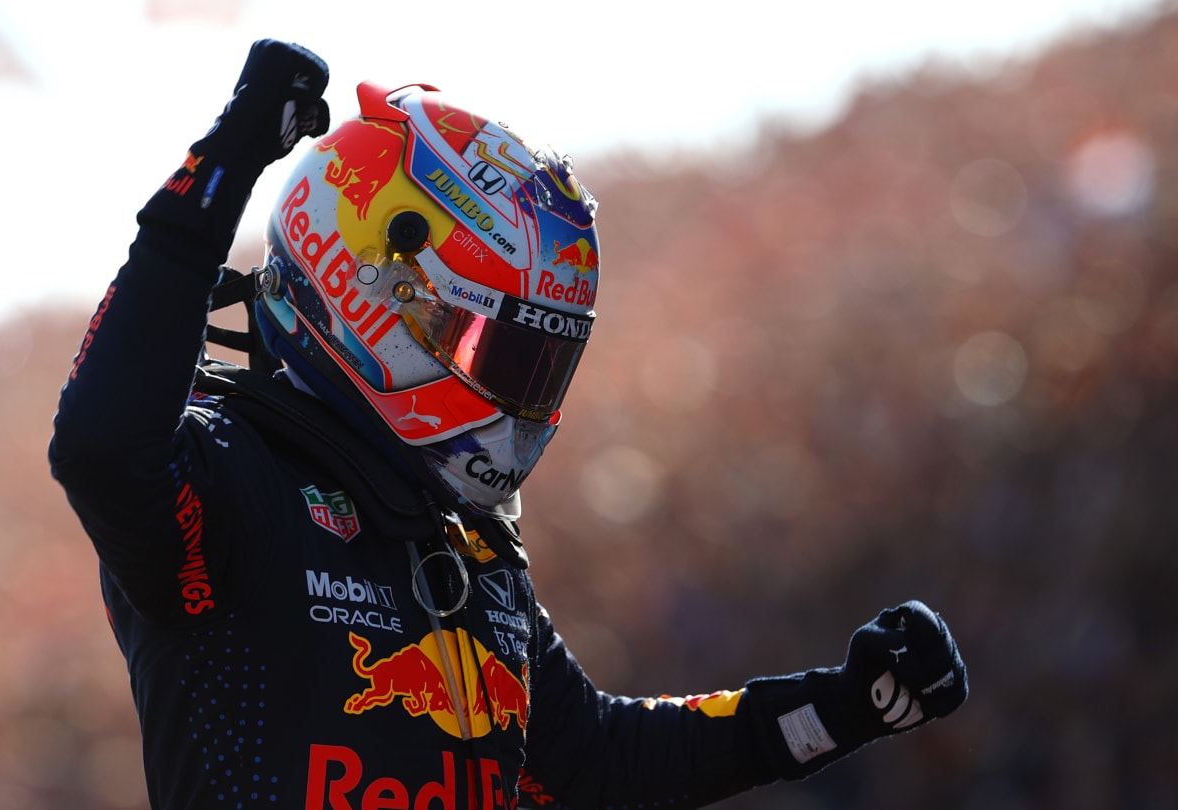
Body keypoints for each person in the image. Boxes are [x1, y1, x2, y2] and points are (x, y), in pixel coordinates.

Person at [48, 39, 968, 810]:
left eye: (545, 365)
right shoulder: (229, 475)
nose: (525, 398)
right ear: (374, 293)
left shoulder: (470, 547)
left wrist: (842, 709)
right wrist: (228, 162)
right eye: (503, 355)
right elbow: (98, 445)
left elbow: (597, 763)